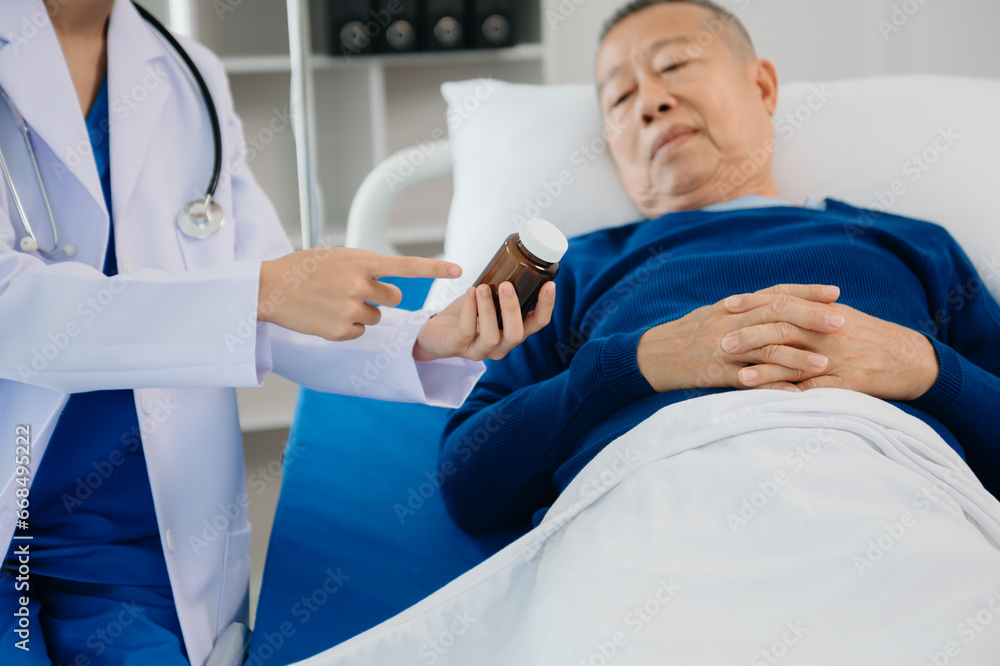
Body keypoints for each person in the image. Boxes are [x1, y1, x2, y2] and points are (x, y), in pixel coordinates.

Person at [0, 1, 554, 663]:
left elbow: (273, 307)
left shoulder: (187, 77)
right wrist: (260, 292)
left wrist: (423, 339)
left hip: (135, 546)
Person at [438, 0, 1000, 534]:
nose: (650, 103)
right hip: (644, 510)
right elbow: (469, 483)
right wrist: (628, 367)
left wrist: (927, 369)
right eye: (620, 99)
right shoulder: (573, 269)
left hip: (891, 497)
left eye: (676, 65)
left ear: (761, 87)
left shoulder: (911, 243)